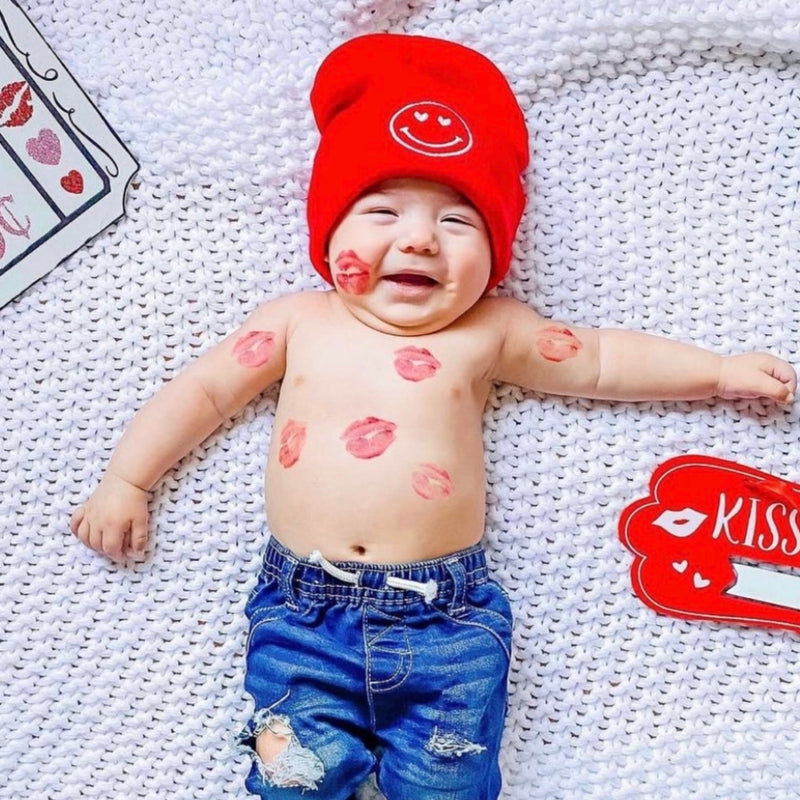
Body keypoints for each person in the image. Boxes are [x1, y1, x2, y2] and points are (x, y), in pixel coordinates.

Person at [69, 33, 796, 800]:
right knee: (290, 780)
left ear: (495, 252)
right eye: (381, 209)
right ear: (330, 232)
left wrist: (715, 373)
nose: (418, 237)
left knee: (449, 785)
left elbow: (601, 360)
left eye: (458, 223)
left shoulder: (489, 331)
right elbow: (203, 392)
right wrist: (127, 479)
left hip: (446, 626)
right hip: (301, 620)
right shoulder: (297, 321)